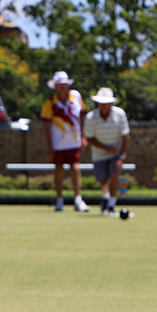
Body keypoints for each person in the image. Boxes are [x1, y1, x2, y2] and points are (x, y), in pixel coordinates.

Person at [40, 71, 89, 212]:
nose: (63, 87)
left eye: (65, 84)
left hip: (74, 141)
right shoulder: (50, 103)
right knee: (59, 170)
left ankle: (78, 199)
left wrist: (83, 136)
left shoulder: (76, 97)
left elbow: (82, 117)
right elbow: (47, 125)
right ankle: (59, 199)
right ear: (55, 86)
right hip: (58, 144)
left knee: (75, 168)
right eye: (60, 85)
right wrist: (50, 147)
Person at [82, 87, 130, 217]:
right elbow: (89, 139)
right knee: (103, 179)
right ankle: (107, 197)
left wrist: (121, 157)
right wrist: (106, 148)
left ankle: (111, 205)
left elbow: (126, 136)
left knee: (114, 173)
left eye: (106, 102)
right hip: (99, 153)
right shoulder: (91, 118)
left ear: (111, 103)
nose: (103, 105)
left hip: (116, 152)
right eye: (101, 102)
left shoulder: (120, 114)